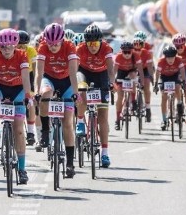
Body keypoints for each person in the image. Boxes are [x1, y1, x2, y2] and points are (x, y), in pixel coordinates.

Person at [0, 28, 32, 184]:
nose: (7, 49)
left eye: (10, 46)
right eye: (3, 46)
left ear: (16, 45)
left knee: (18, 130)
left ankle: (22, 169)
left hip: (17, 89)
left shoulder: (22, 56)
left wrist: (27, 97)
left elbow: (26, 78)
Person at [34, 23, 79, 177]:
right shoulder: (42, 47)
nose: (53, 47)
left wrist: (75, 92)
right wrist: (37, 92)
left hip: (66, 81)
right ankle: (45, 130)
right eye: (50, 44)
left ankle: (70, 163)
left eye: (56, 44)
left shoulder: (70, 46)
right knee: (45, 94)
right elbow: (38, 74)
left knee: (67, 124)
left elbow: (73, 73)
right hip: (49, 79)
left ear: (62, 40)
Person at [75, 24, 115, 168]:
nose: (93, 46)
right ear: (85, 42)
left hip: (101, 76)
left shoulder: (106, 48)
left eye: (95, 43)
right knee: (81, 89)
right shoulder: (80, 49)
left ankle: (105, 153)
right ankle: (80, 122)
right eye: (90, 43)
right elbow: (74, 68)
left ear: (100, 42)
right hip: (84, 73)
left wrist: (111, 83)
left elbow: (111, 71)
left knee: (103, 118)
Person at [112, 40, 144, 131]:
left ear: (132, 51)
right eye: (124, 52)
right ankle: (117, 119)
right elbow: (114, 71)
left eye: (128, 52)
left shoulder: (136, 56)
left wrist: (142, 81)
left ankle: (133, 101)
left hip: (131, 71)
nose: (126, 54)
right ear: (121, 51)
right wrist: (113, 81)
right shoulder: (118, 57)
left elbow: (140, 70)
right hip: (121, 73)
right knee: (120, 96)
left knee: (133, 77)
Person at [154, 45, 186, 131]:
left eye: (172, 57)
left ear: (175, 56)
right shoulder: (161, 61)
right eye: (168, 58)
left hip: (175, 76)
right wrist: (156, 83)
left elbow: (182, 71)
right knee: (164, 97)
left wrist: (184, 81)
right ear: (165, 57)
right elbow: (157, 73)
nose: (170, 60)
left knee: (177, 87)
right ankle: (164, 120)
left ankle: (179, 103)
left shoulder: (179, 60)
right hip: (164, 77)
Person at [17, 30, 39, 146]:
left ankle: (30, 132)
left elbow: (36, 71)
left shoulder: (31, 50)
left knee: (31, 100)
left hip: (28, 76)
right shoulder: (11, 51)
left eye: (23, 45)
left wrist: (36, 86)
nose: (21, 48)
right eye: (18, 45)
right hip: (15, 76)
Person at [132, 31, 155, 122]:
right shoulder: (131, 46)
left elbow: (151, 60)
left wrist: (151, 73)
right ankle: (132, 102)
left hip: (145, 67)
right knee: (131, 83)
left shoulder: (147, 47)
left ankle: (148, 108)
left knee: (146, 86)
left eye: (142, 41)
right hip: (133, 67)